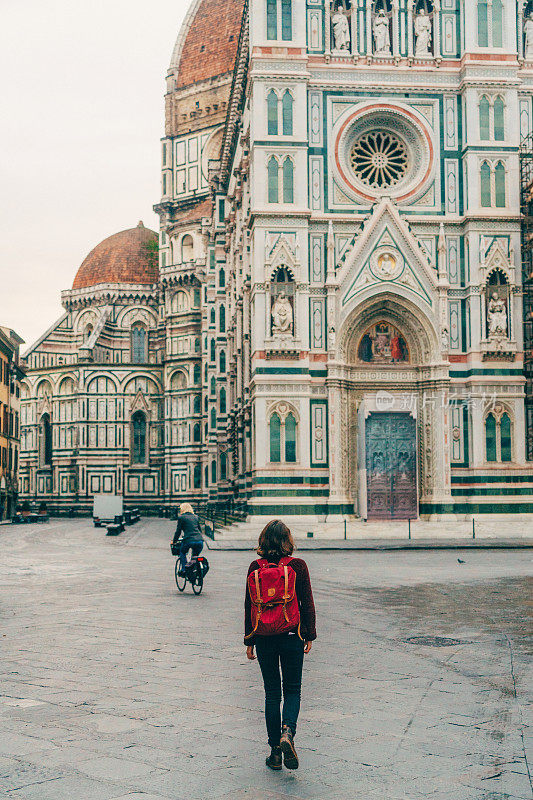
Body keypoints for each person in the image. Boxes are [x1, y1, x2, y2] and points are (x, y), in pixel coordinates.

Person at [245, 520, 316, 771]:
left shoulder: (256, 566)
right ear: (288, 540)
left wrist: (249, 640)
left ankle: (275, 753)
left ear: (263, 540)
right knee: (293, 690)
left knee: (272, 693)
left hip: (263, 636)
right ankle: (288, 732)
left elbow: (249, 605)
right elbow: (307, 602)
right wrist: (309, 635)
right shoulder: (298, 565)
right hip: (291, 634)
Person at [172, 502, 204, 576]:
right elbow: (199, 530)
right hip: (199, 540)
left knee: (182, 552)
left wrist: (174, 541)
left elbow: (178, 531)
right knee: (195, 556)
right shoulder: (196, 517)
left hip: (189, 540)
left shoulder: (181, 517)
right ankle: (195, 571)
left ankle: (184, 570)